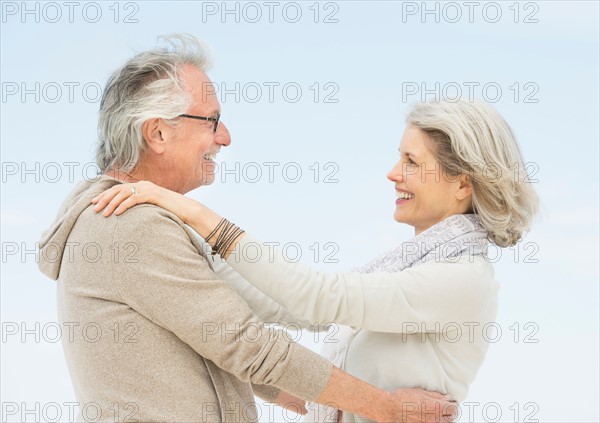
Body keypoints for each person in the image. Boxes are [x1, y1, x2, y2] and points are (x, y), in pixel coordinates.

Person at [37, 34, 454, 423]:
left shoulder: (124, 220)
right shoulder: (131, 224)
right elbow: (245, 343)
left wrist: (293, 393)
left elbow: (204, 339)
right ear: (158, 132)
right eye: (211, 121)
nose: (226, 137)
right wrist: (385, 407)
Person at [91, 98, 540, 423]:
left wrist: (190, 210)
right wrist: (183, 238)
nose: (392, 172)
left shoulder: (462, 281)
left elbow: (312, 297)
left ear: (463, 184)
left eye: (410, 161)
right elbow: (279, 304)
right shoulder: (407, 271)